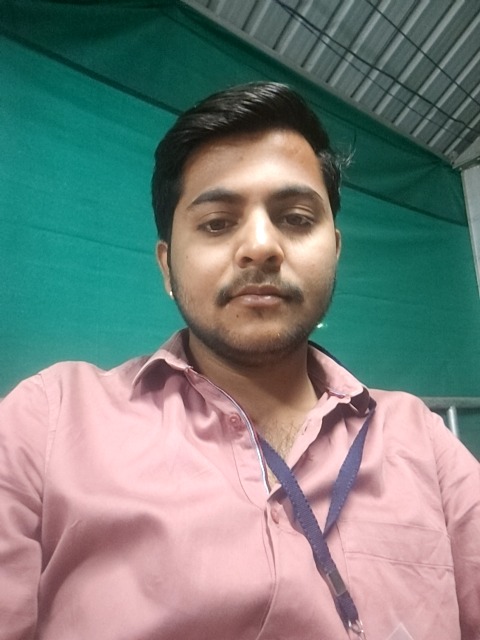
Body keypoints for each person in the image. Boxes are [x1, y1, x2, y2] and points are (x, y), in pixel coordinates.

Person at [0, 82, 479, 640]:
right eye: (217, 223)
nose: (261, 246)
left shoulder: (422, 441)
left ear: (335, 250)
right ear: (167, 266)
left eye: (295, 218)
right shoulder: (46, 423)